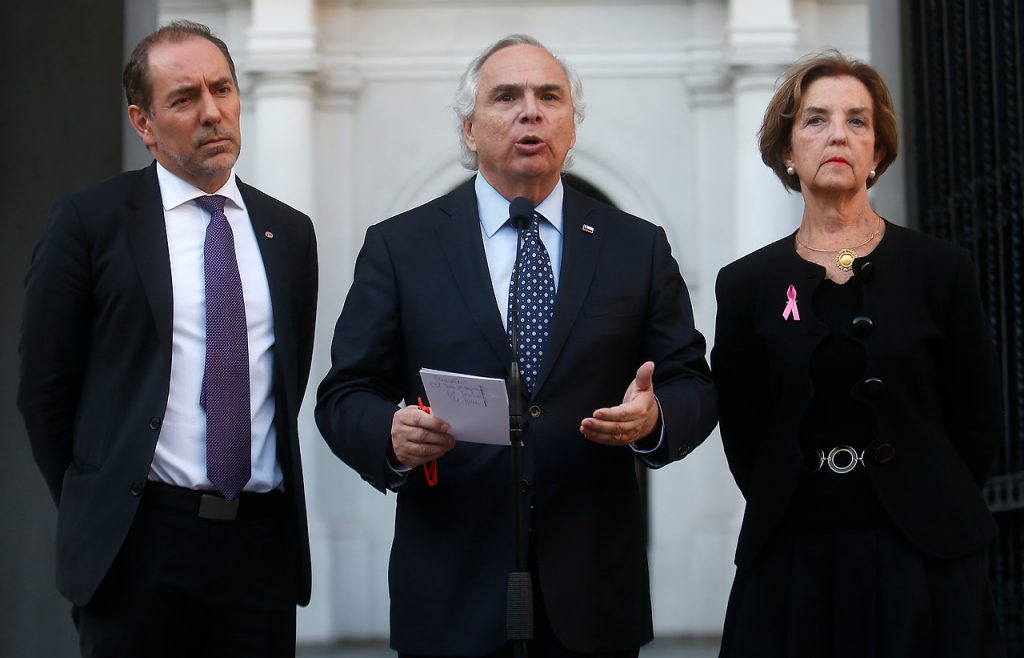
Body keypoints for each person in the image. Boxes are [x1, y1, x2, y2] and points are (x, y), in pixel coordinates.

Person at [315, 34, 717, 658]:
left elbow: (692, 380)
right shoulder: (402, 247)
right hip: (451, 589)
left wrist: (656, 417)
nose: (531, 111)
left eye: (549, 96)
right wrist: (390, 435)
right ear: (471, 130)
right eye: (507, 97)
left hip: (591, 593)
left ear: (571, 126)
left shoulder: (635, 246)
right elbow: (345, 393)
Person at [17, 20, 318, 657]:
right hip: (138, 546)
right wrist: (99, 497)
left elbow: (282, 384)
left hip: (260, 548)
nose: (212, 112)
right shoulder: (90, 223)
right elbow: (45, 391)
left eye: (224, 89)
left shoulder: (288, 234)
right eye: (184, 98)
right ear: (144, 122)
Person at [712, 50, 1006, 657]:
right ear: (788, 151)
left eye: (857, 120)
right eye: (815, 120)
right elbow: (743, 427)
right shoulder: (747, 284)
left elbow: (977, 419)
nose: (838, 134)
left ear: (878, 152)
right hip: (792, 552)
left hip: (924, 554)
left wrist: (930, 488)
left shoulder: (940, 270)